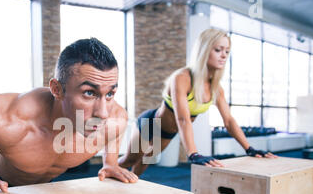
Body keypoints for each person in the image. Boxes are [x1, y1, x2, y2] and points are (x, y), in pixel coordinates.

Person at [0, 38, 138, 194]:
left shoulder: (115, 118)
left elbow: (114, 130)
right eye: (89, 93)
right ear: (57, 89)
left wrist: (110, 162)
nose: (102, 112)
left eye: (110, 94)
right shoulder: (3, 119)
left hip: (46, 182)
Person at [118, 28, 276, 176]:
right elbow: (183, 118)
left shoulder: (216, 89)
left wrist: (249, 148)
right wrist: (193, 153)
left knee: (147, 160)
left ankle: (129, 186)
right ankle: (105, 174)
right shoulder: (183, 78)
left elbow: (228, 121)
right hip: (151, 123)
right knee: (130, 160)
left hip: (168, 132)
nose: (224, 55)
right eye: (218, 50)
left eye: (227, 51)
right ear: (204, 50)